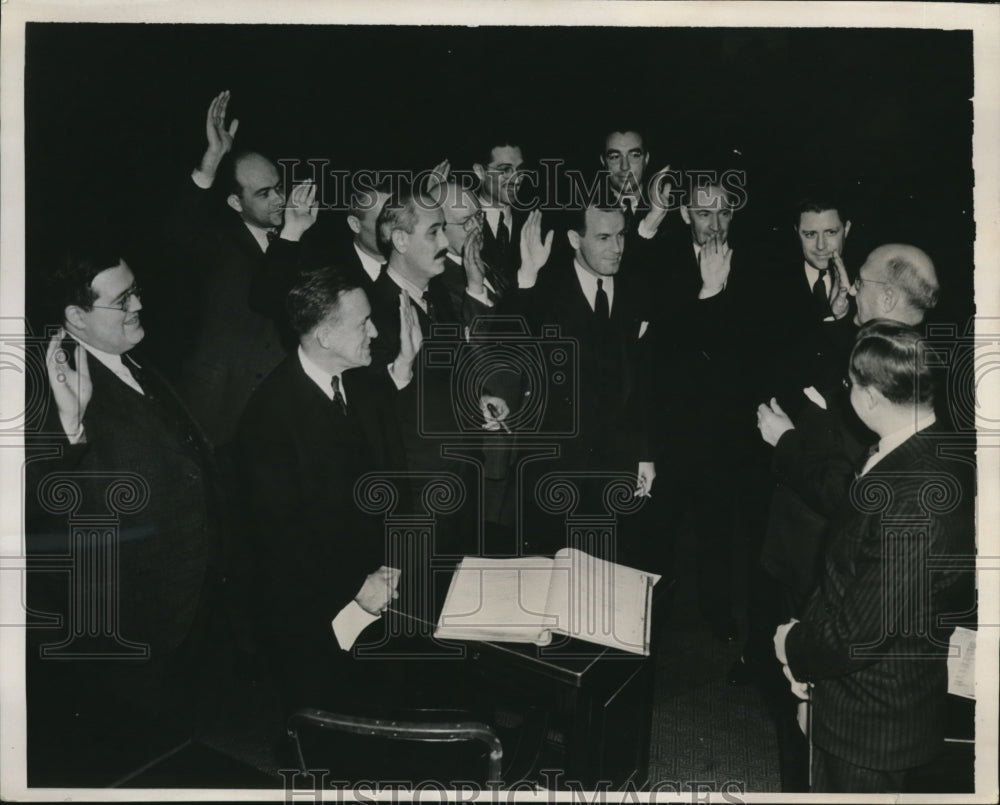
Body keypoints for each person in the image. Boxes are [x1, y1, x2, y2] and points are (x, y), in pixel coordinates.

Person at [774, 319, 974, 793]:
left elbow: (858, 634)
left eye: (850, 384)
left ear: (868, 398)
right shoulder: (915, 449)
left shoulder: (914, 501)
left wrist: (792, 648)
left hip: (870, 726)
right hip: (853, 700)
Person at [27, 244, 223, 725]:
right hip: (124, 634)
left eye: (136, 292)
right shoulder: (48, 386)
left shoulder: (133, 359)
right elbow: (30, 511)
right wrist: (69, 431)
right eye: (123, 300)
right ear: (76, 315)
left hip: (181, 613)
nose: (137, 305)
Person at [234, 267, 421, 713]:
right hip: (319, 611)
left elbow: (390, 479)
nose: (375, 332)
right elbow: (283, 536)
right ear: (323, 337)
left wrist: (396, 562)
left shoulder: (360, 380)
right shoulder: (270, 418)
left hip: (383, 588)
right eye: (362, 324)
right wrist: (357, 584)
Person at [159, 90, 311, 447]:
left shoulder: (297, 240)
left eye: (279, 187)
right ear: (234, 202)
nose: (279, 199)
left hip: (281, 408)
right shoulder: (215, 243)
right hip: (222, 411)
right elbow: (175, 231)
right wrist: (212, 159)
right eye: (263, 194)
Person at [513, 197, 655, 561]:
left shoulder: (635, 289)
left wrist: (643, 455)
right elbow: (508, 349)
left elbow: (639, 381)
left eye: (621, 236)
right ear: (575, 239)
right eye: (604, 238)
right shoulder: (543, 289)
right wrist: (527, 276)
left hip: (616, 467)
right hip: (555, 471)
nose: (617, 249)